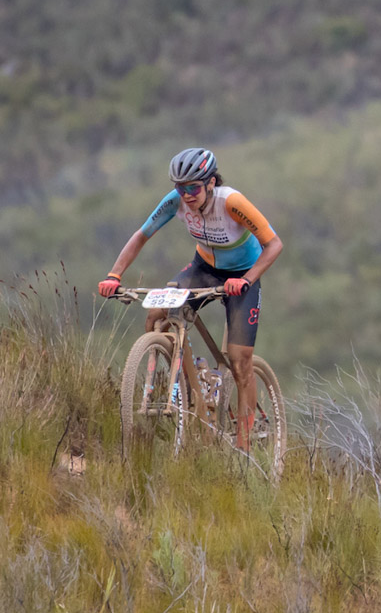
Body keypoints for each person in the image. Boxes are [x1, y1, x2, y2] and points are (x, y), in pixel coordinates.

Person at [98, 147, 283, 450]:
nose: (186, 195)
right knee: (157, 316)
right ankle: (185, 390)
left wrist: (247, 280)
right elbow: (142, 235)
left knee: (239, 361)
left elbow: (274, 244)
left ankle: (245, 442)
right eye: (180, 188)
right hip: (203, 268)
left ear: (211, 182)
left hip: (242, 276)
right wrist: (114, 275)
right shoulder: (176, 202)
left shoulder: (232, 202)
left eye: (193, 187)